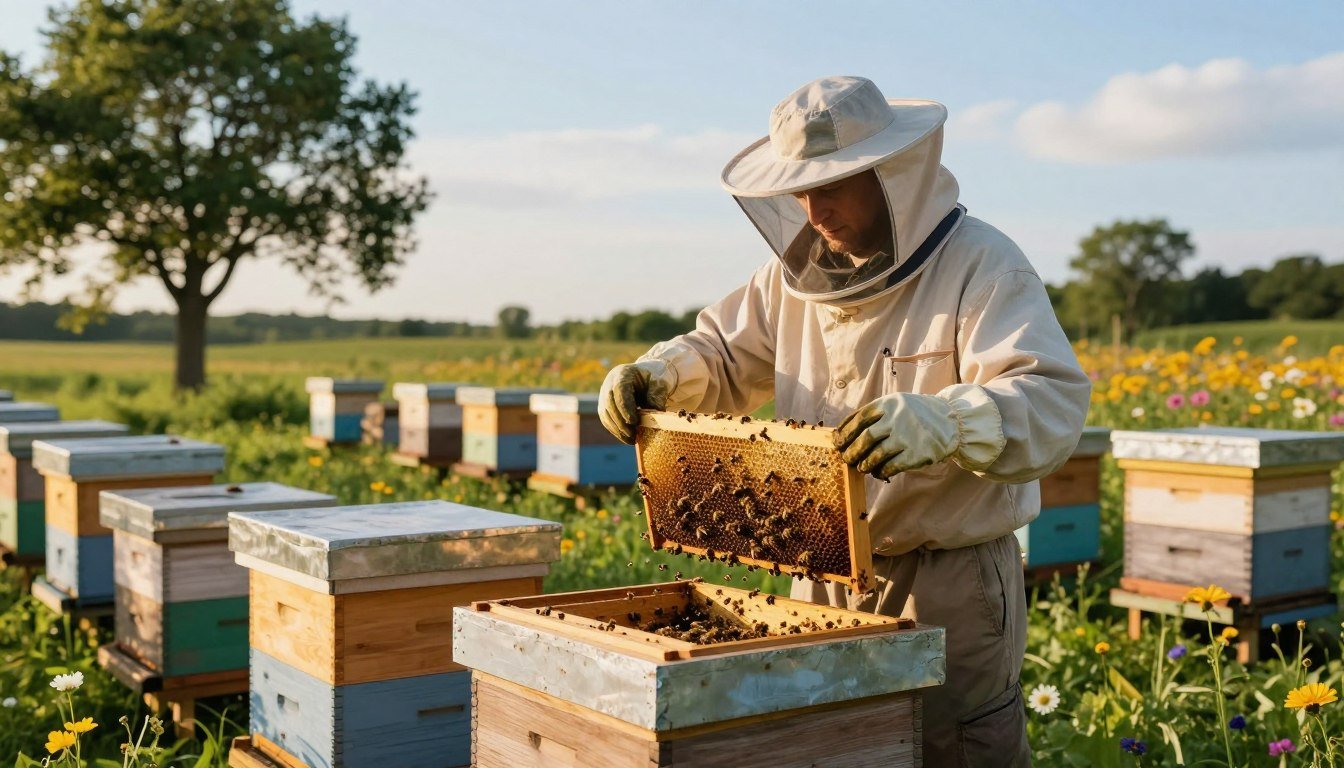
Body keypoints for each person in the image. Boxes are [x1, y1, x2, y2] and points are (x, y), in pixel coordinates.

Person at [598, 75, 1090, 766]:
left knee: (954, 748)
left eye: (832, 186)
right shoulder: (791, 279)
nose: (813, 210)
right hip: (819, 567)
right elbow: (722, 354)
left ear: (893, 176)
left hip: (945, 577)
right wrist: (659, 374)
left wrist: (949, 420)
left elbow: (1049, 399)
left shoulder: (983, 264)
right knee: (828, 746)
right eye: (800, 190)